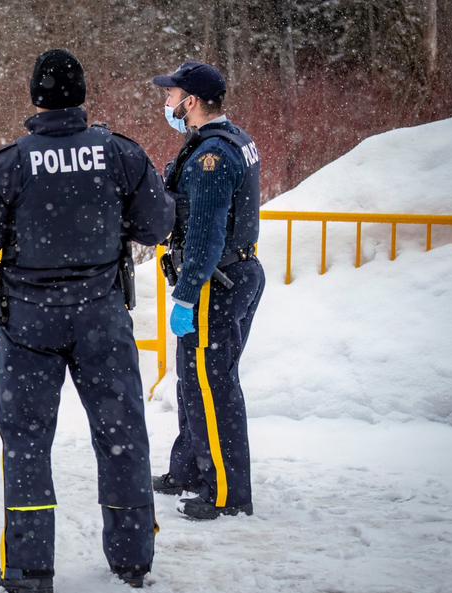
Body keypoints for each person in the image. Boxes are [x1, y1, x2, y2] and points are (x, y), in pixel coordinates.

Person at [0, 49, 174, 592]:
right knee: (120, 433)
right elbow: (156, 224)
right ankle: (132, 557)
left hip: (28, 321)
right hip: (102, 315)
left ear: (35, 98)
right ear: (81, 95)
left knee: (27, 441)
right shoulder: (119, 153)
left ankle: (29, 569)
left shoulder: (9, 163)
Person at [150, 61, 265, 520]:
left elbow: (206, 233)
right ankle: (190, 469)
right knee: (192, 381)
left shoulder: (211, 157)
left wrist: (186, 292)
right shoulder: (229, 138)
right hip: (234, 272)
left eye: (171, 95)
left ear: (190, 102)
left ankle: (226, 492)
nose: (166, 103)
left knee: (213, 388)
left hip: (215, 283)